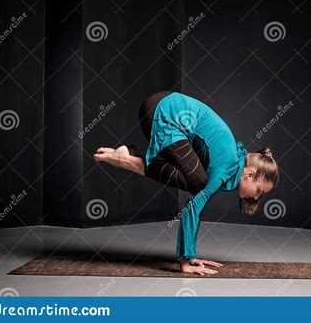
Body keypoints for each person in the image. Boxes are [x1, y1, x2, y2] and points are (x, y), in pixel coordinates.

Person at [93, 90, 279, 275]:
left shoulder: (231, 164)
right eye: (260, 191)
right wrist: (186, 259)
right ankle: (124, 159)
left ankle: (125, 157)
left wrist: (192, 255)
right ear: (250, 174)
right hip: (163, 111)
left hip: (163, 108)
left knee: (197, 183)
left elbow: (196, 203)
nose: (256, 197)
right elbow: (193, 208)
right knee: (198, 184)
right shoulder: (227, 165)